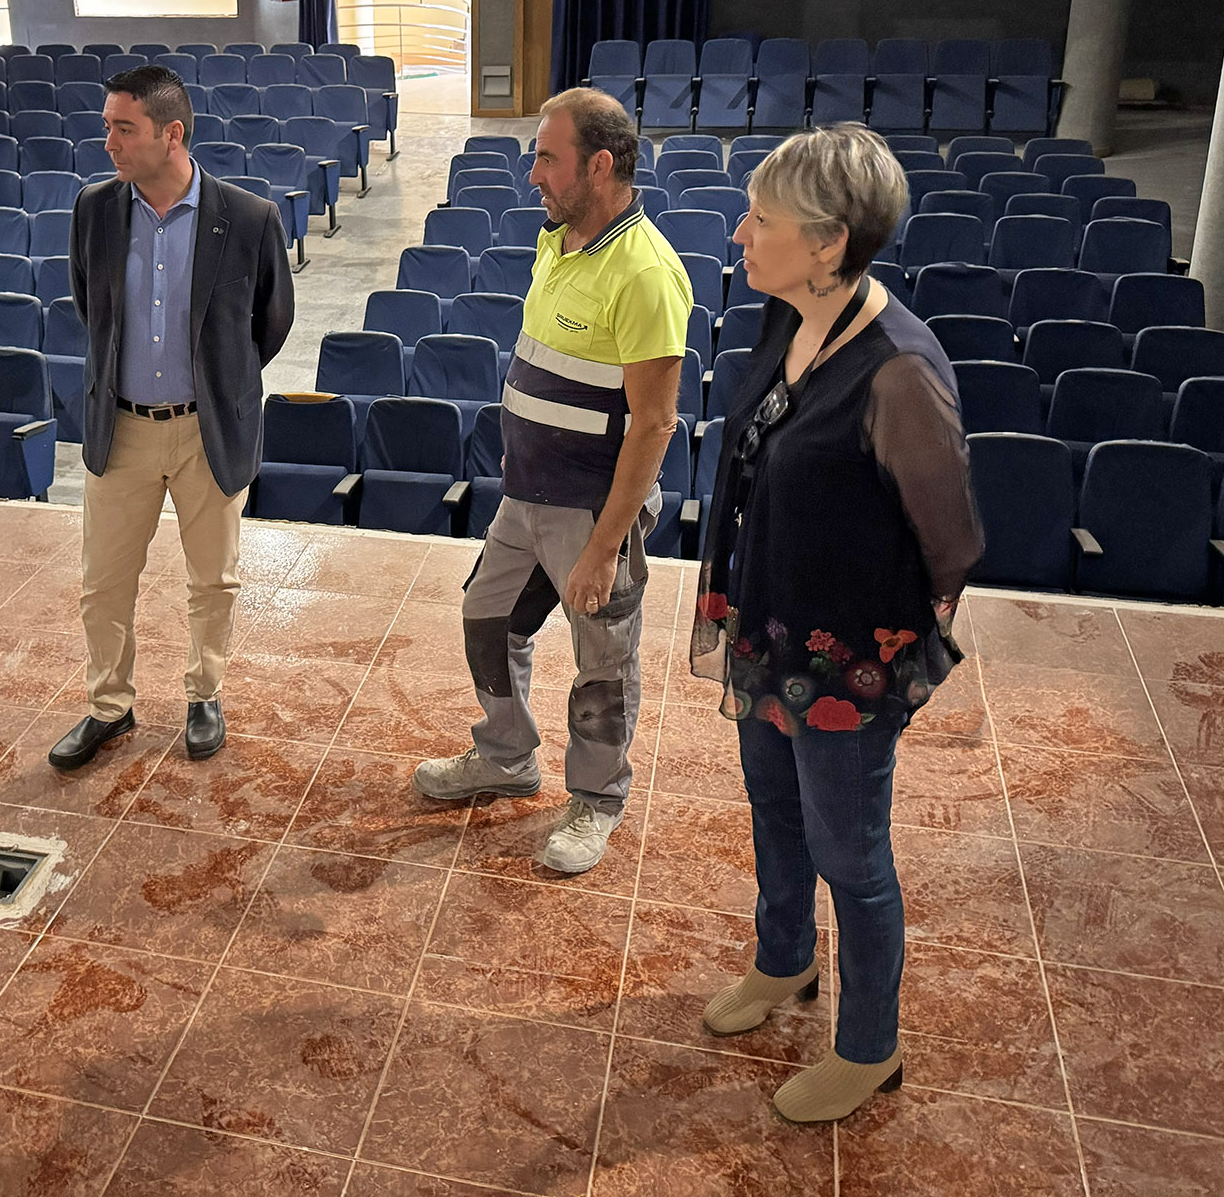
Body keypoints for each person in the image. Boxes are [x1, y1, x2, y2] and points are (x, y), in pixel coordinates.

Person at [688, 122, 982, 1123]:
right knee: (772, 810)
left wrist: (881, 644)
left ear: (827, 244)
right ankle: (782, 962)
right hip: (767, 622)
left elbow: (950, 537)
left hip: (846, 658)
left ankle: (869, 1046)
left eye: (760, 220)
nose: (738, 234)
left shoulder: (898, 368)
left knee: (850, 854)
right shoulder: (785, 315)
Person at [413, 88, 691, 875]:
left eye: (546, 156)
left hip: (591, 512)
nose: (531, 172)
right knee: (486, 620)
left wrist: (605, 547)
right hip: (525, 498)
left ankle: (597, 800)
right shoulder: (556, 240)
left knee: (603, 662)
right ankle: (506, 757)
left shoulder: (646, 273)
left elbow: (653, 424)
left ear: (599, 166)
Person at [47, 63, 295, 771]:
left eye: (124, 128)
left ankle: (203, 695)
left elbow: (270, 323)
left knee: (213, 578)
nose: (109, 142)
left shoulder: (248, 219)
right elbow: (89, 307)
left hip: (205, 428)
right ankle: (108, 706)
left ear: (171, 133)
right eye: (107, 127)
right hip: (120, 428)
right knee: (104, 582)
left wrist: (220, 385)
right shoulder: (94, 209)